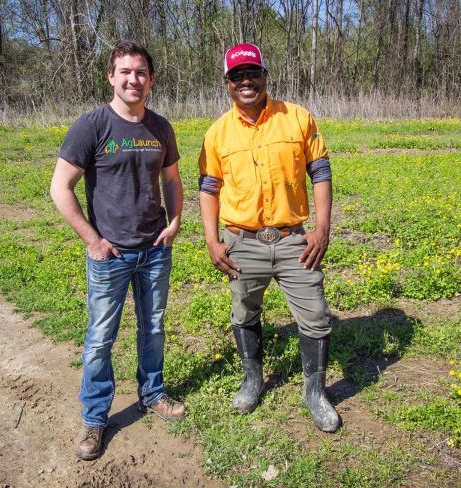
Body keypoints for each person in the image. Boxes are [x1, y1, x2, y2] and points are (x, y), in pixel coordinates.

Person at [50, 40, 185, 461]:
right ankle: (94, 418)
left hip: (154, 251)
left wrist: (176, 221)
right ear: (111, 76)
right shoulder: (91, 126)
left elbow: (173, 180)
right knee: (100, 338)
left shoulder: (160, 127)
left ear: (151, 79)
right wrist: (93, 240)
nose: (133, 79)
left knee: (154, 328)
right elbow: (60, 188)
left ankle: (153, 394)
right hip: (110, 257)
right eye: (125, 72)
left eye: (141, 72)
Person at [198, 43, 340, 432]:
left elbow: (321, 174)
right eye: (237, 76)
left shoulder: (297, 118)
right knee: (244, 311)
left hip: (294, 240)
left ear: (264, 76)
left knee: (315, 316)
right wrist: (213, 240)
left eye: (252, 73)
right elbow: (209, 189)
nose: (246, 81)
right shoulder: (217, 134)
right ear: (227, 83)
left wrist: (322, 228)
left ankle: (315, 392)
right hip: (242, 242)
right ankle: (252, 379)